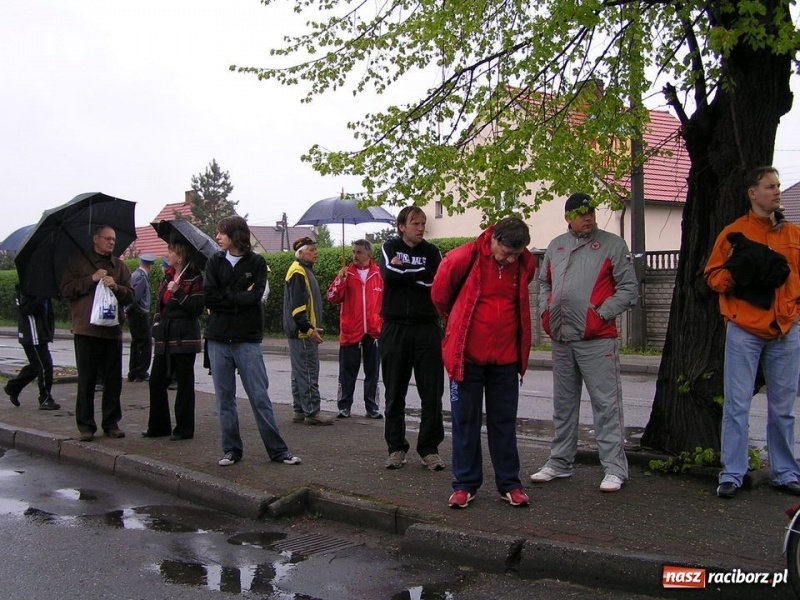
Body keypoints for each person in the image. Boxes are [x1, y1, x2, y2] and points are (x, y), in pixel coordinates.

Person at [530, 193, 638, 492]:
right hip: (562, 339)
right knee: (563, 404)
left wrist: (600, 315)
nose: (587, 217)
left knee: (606, 404)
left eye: (590, 212)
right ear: (568, 217)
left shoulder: (612, 245)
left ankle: (615, 468)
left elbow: (629, 289)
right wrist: (544, 313)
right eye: (580, 213)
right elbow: (545, 284)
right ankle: (560, 462)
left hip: (597, 339)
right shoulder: (555, 246)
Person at [704, 166, 800, 499]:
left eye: (778, 186)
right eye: (769, 186)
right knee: (737, 404)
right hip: (744, 328)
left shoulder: (793, 235)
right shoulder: (733, 233)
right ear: (752, 193)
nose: (776, 191)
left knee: (784, 407)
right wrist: (736, 273)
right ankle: (732, 472)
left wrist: (795, 312)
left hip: (785, 327)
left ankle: (785, 471)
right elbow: (712, 278)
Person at [432, 217, 536, 508]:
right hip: (467, 356)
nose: (511, 258)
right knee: (466, 421)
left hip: (505, 357)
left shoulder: (525, 263)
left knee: (504, 422)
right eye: (506, 252)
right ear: (493, 239)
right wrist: (457, 326)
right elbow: (440, 297)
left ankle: (510, 483)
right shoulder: (462, 258)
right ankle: (464, 484)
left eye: (517, 254)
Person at [203, 215, 301, 466]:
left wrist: (228, 296)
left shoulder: (256, 262)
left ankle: (278, 451)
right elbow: (210, 297)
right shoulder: (214, 262)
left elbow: (255, 296)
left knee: (259, 396)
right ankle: (231, 450)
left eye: (221, 232)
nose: (217, 237)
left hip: (247, 339)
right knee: (224, 399)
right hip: (218, 339)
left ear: (236, 235)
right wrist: (237, 295)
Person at [379, 205, 445, 470]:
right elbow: (388, 274)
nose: (420, 228)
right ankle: (396, 448)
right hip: (395, 327)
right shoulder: (389, 248)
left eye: (423, 223)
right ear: (402, 226)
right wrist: (418, 275)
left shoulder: (432, 252)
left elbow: (437, 283)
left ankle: (429, 449)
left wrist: (405, 272)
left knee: (432, 393)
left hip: (427, 327)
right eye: (415, 223)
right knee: (395, 391)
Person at [60, 224, 134, 441]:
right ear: (96, 239)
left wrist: (116, 287)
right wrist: (91, 279)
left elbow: (130, 295)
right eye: (107, 238)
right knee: (87, 380)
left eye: (113, 239)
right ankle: (85, 426)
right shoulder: (77, 262)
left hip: (111, 331)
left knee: (113, 380)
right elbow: (66, 290)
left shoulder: (119, 266)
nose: (112, 242)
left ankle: (111, 423)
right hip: (86, 330)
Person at [143, 240, 204, 441]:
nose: (167, 254)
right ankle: (159, 426)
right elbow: (160, 304)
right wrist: (156, 322)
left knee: (184, 384)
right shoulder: (167, 276)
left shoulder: (194, 278)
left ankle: (184, 428)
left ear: (180, 255)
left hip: (184, 336)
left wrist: (179, 292)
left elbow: (197, 309)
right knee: (156, 381)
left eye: (170, 251)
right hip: (165, 337)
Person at [326, 239, 384, 419]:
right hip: (351, 329)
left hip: (373, 331)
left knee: (372, 372)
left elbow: (387, 301)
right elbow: (332, 297)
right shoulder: (346, 274)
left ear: (368, 254)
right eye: (353, 252)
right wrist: (340, 281)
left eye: (358, 252)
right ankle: (344, 406)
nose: (354, 256)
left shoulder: (379, 274)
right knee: (347, 371)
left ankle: (372, 406)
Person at [283, 236, 335, 426]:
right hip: (302, 332)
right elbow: (297, 306)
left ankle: (299, 409)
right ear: (301, 252)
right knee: (308, 371)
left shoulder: (300, 270)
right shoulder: (299, 272)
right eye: (312, 250)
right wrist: (308, 328)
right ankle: (312, 411)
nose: (316, 253)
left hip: (298, 331)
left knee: (299, 372)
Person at [3, 285, 61, 411]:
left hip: (37, 333)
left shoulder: (37, 287)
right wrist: (42, 296)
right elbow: (28, 308)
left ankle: (13, 387)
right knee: (45, 366)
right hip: (33, 334)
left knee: (36, 366)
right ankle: (45, 398)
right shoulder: (27, 287)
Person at [125, 253, 155, 382]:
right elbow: (135, 297)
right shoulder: (142, 277)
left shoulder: (134, 274)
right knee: (145, 344)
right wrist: (128, 309)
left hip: (134, 313)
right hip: (139, 314)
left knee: (136, 343)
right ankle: (141, 372)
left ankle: (133, 371)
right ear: (151, 266)